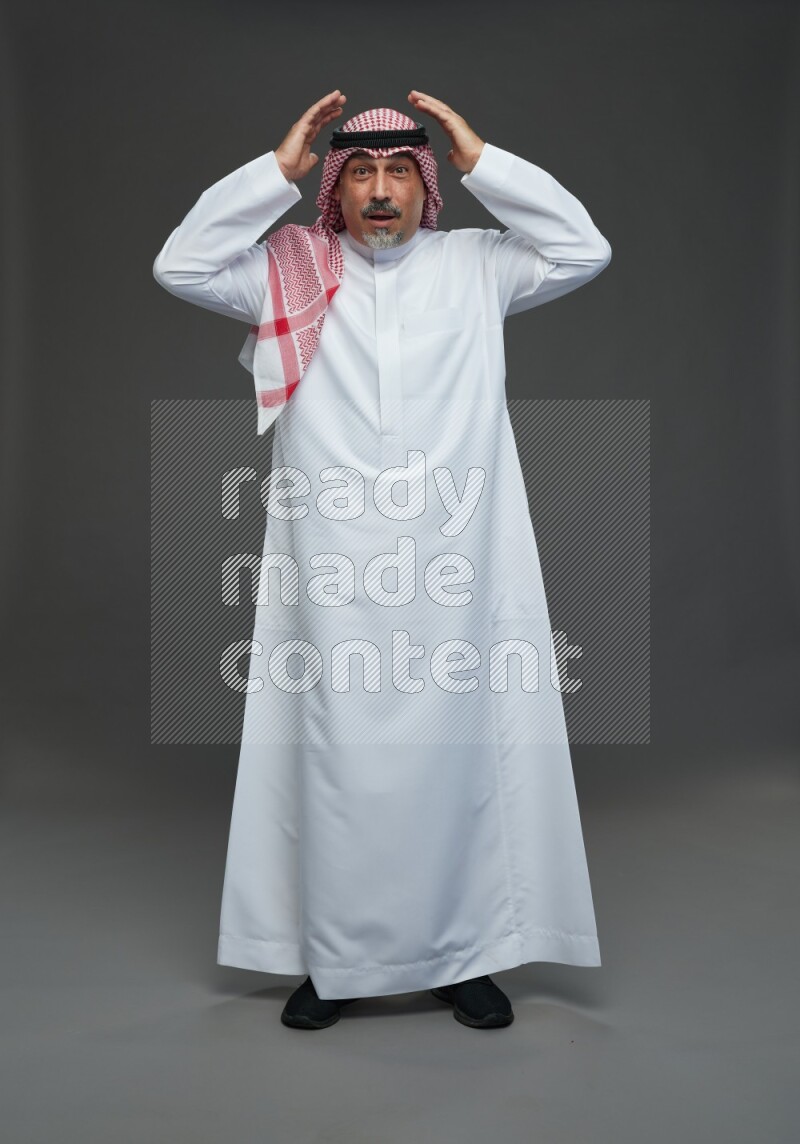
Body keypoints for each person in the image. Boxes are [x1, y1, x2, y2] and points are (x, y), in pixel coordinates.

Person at [153, 90, 612, 1031]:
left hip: (460, 559)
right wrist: (272, 172)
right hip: (331, 569)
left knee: (460, 755)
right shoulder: (290, 271)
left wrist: (485, 156)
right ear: (334, 190)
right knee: (334, 756)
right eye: (357, 172)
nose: (378, 190)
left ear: (425, 187)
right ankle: (334, 958)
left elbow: (583, 248)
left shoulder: (478, 265)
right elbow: (182, 263)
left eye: (399, 171)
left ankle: (466, 952)